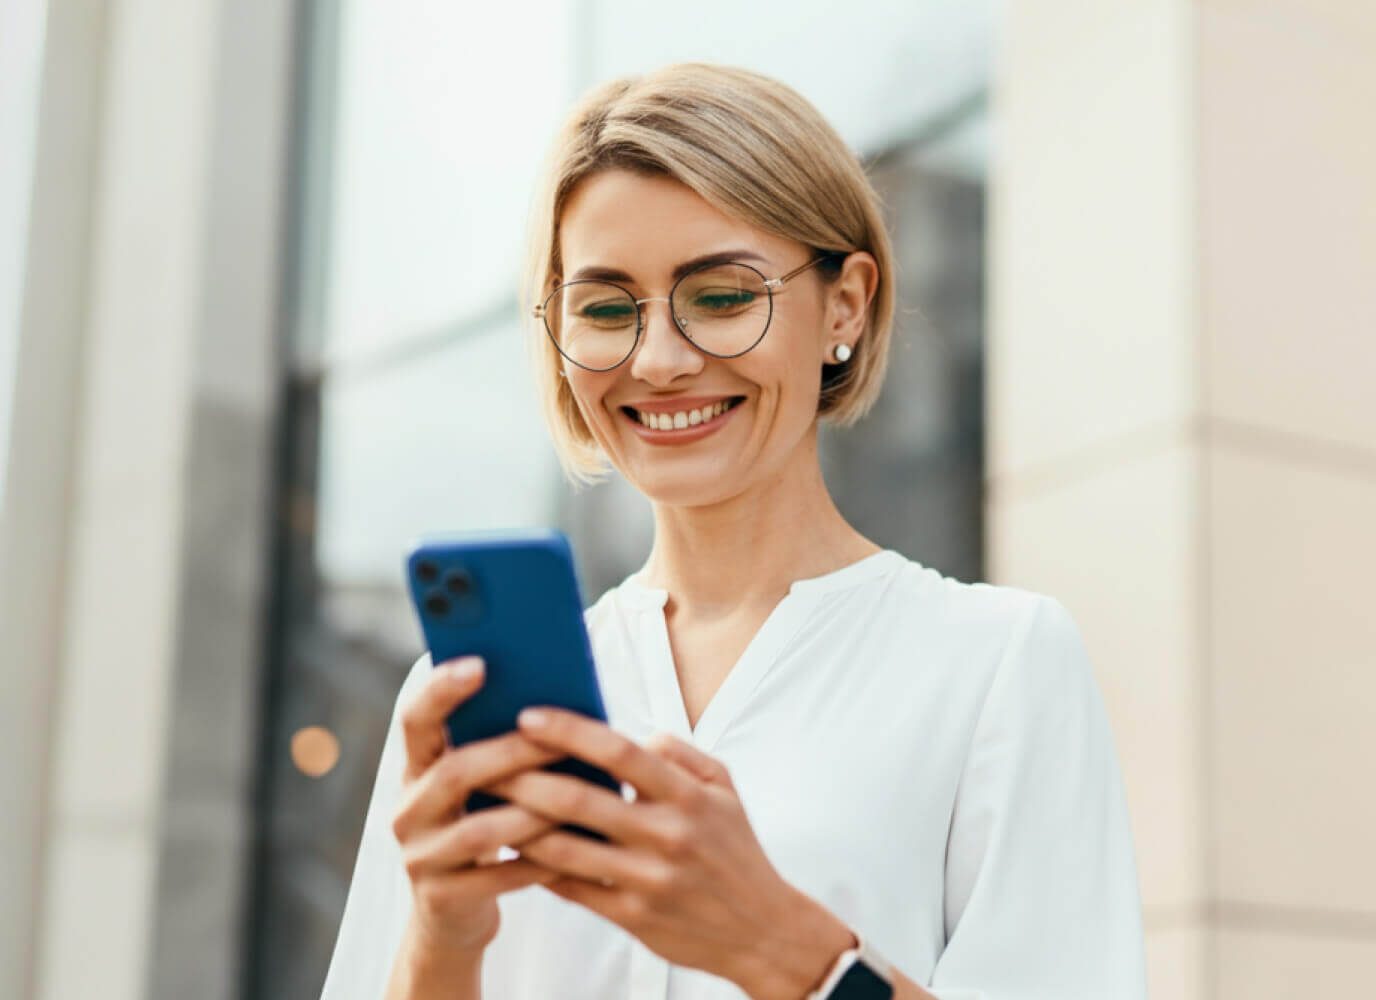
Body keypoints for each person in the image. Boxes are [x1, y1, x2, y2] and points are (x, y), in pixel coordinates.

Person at [321, 63, 1146, 1000]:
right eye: (603, 309)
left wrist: (786, 950)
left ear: (846, 304)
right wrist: (442, 937)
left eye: (720, 297)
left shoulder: (996, 663)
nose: (660, 361)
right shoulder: (457, 699)